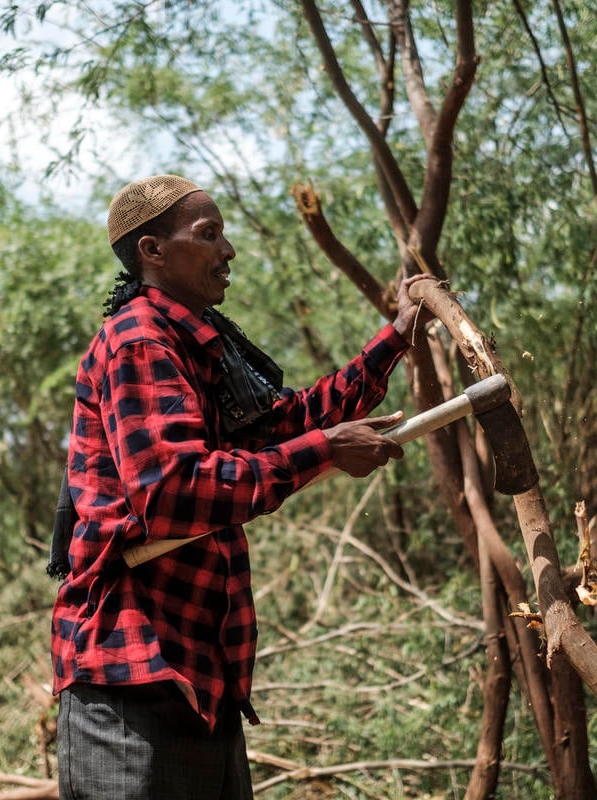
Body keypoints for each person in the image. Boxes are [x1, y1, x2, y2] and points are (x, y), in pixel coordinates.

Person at [49, 174, 434, 800]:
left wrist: (395, 339)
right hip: (131, 673)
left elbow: (286, 424)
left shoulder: (203, 348)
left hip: (198, 675)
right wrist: (328, 451)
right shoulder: (140, 342)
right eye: (209, 235)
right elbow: (172, 490)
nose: (228, 251)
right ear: (153, 251)